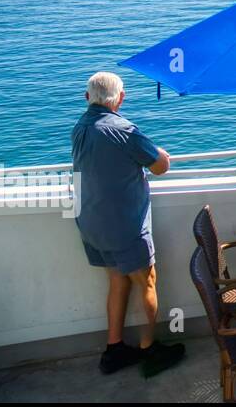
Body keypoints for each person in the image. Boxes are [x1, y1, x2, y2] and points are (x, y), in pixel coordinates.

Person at [71, 71, 185, 376]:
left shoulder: (80, 127)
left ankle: (114, 349)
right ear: (120, 99)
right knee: (146, 282)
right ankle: (149, 349)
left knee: (118, 281)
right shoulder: (123, 130)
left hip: (92, 222)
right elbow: (160, 166)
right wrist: (160, 153)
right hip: (123, 226)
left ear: (87, 98)